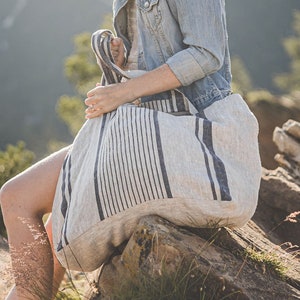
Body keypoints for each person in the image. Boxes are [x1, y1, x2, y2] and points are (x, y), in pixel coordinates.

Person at [0, 0, 261, 299]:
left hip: (183, 128)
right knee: (32, 207)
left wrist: (123, 91)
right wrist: (125, 57)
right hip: (145, 124)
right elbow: (159, 56)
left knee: (21, 199)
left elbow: (206, 53)